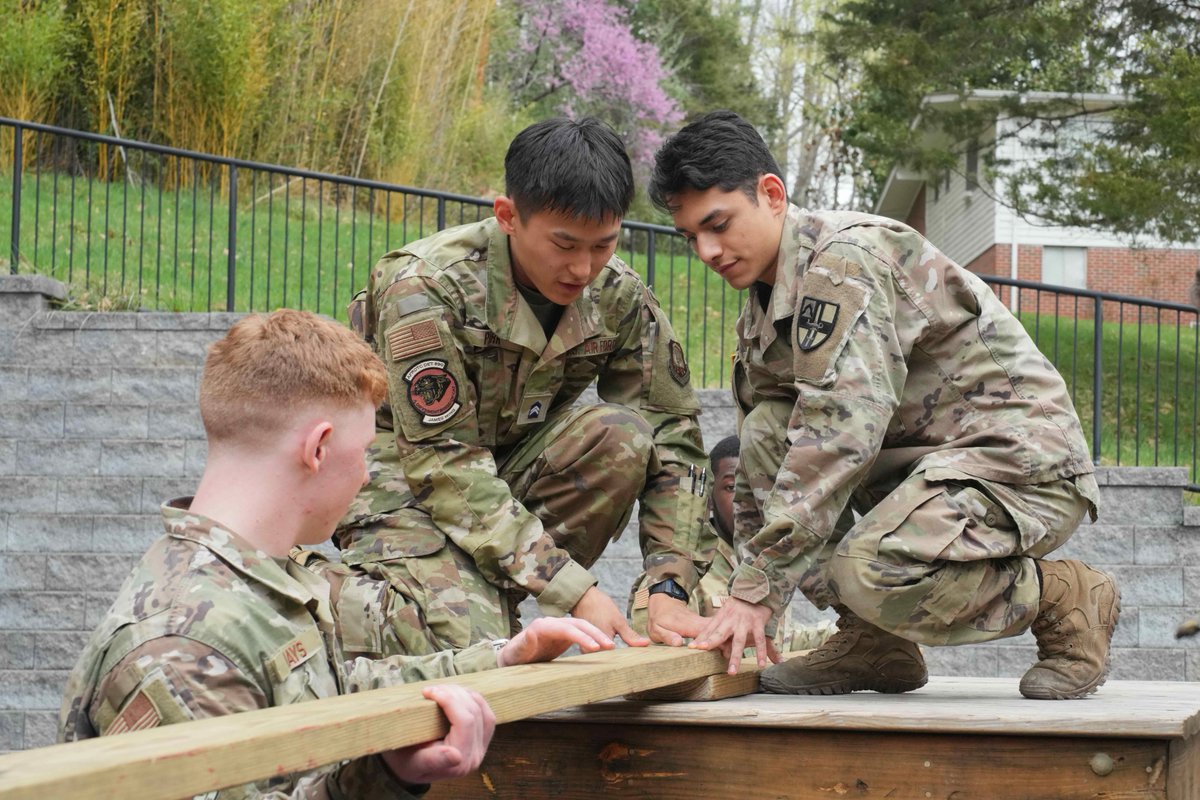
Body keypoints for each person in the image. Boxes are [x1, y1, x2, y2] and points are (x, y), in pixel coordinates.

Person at [649, 110, 1119, 700]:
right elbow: (765, 458)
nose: (707, 252)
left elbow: (840, 434)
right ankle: (876, 643)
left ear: (771, 194)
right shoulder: (767, 299)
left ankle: (1062, 595)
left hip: (1018, 467)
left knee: (869, 569)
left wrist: (757, 591)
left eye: (717, 224)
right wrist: (741, 587)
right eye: (691, 236)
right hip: (926, 472)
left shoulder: (844, 262)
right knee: (767, 431)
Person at [58, 310, 614, 798]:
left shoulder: (250, 584)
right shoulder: (181, 645)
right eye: (365, 451)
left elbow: (332, 690)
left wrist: (498, 659)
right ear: (319, 447)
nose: (368, 475)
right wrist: (384, 780)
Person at [335, 116, 713, 657]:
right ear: (509, 217)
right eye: (564, 244)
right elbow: (441, 464)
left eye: (604, 244)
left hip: (507, 472)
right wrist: (569, 586)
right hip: (401, 481)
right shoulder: (426, 287)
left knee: (622, 434)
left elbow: (672, 435)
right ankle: (371, 600)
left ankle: (479, 595)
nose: (583, 268)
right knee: (472, 651)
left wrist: (669, 583)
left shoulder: (617, 295)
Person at [628, 435, 836, 652]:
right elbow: (662, 665)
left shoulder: (766, 568)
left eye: (763, 488)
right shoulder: (678, 574)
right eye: (731, 487)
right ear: (709, 498)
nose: (745, 500)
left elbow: (779, 644)